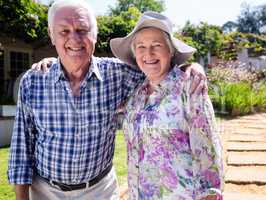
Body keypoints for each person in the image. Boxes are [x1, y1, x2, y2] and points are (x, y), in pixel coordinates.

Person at [7, 1, 206, 200]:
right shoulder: (33, 81)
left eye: (82, 29)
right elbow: (21, 149)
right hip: (45, 192)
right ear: (51, 35)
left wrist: (191, 67)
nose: (74, 39)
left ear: (95, 34)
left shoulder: (119, 74)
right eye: (64, 31)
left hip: (100, 191)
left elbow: (157, 66)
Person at [110, 11, 223, 200]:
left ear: (170, 51)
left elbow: (208, 158)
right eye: (141, 46)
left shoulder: (190, 88)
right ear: (134, 52)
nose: (148, 53)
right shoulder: (136, 96)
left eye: (156, 45)